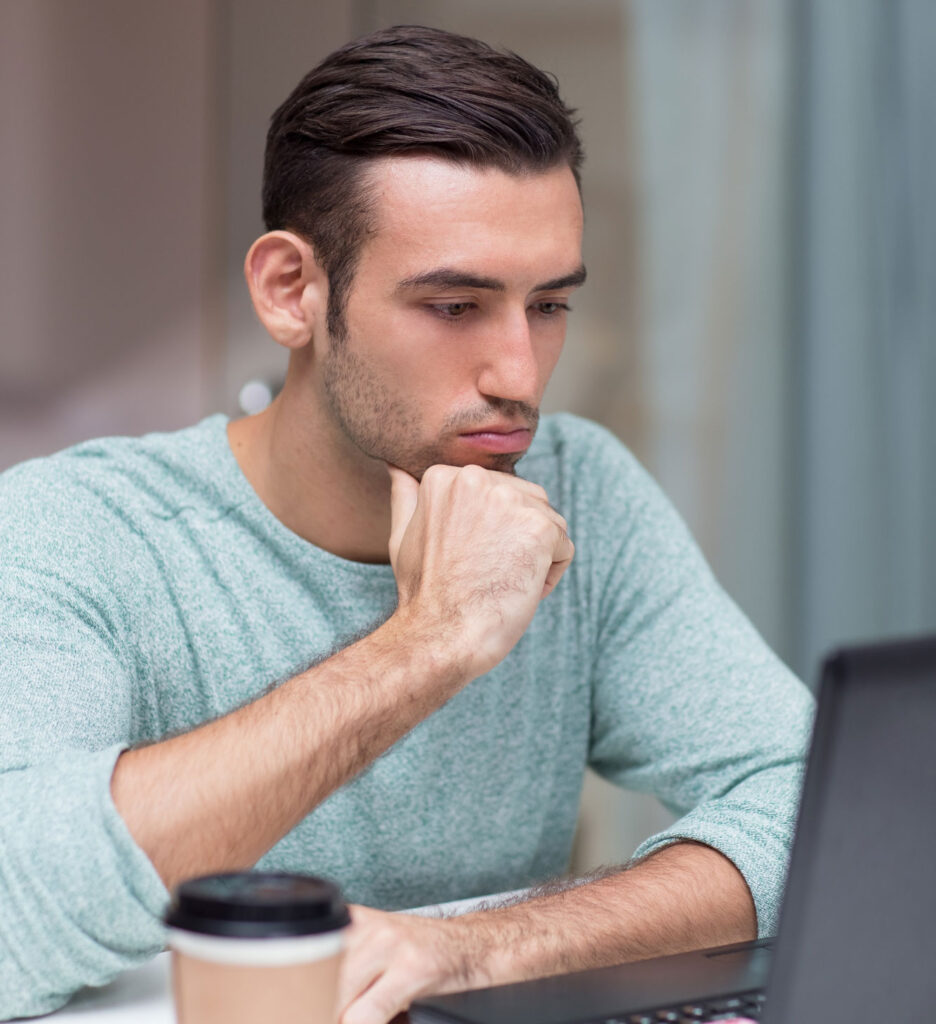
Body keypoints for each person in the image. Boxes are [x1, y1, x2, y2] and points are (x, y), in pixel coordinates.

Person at [0, 24, 813, 1024]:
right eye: (455, 305)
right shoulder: (77, 528)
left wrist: (472, 952)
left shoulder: (581, 487)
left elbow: (814, 809)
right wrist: (431, 642)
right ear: (291, 290)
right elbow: (11, 923)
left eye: (549, 303)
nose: (519, 374)